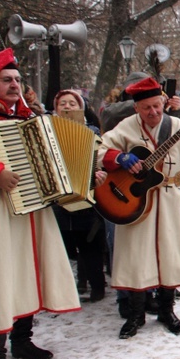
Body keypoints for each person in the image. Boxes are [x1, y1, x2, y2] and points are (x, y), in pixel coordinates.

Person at [97, 76, 180, 339]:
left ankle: (166, 310)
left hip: (173, 199)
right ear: (136, 108)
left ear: (164, 101)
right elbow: (100, 149)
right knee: (136, 256)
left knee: (172, 255)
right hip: (135, 201)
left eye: (156, 105)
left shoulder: (177, 124)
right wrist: (119, 157)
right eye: (146, 108)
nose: (152, 112)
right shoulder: (125, 127)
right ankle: (135, 314)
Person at [0, 48, 81, 359]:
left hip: (34, 206)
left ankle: (22, 339)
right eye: (6, 80)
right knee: (3, 275)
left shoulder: (32, 115)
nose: (14, 85)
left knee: (30, 270)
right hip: (2, 210)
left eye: (17, 79)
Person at [51, 89, 108, 301]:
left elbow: (102, 159)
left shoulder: (92, 132)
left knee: (90, 245)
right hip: (58, 199)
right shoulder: (47, 131)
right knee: (61, 247)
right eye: (62, 103)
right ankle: (64, 290)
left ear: (81, 107)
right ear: (55, 108)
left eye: (72, 103)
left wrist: (100, 173)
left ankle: (96, 286)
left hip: (87, 198)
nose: (67, 107)